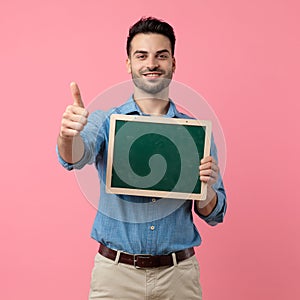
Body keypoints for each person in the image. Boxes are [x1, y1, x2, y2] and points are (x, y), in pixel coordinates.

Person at [57, 17, 227, 300]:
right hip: (115, 276)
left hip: (178, 276)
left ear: (174, 63)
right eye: (142, 56)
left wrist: (205, 191)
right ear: (128, 64)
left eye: (162, 55)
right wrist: (68, 135)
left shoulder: (196, 133)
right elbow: (75, 157)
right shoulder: (105, 122)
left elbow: (215, 212)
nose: (152, 63)